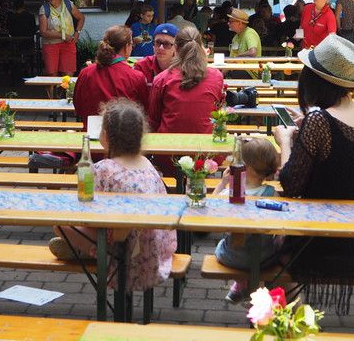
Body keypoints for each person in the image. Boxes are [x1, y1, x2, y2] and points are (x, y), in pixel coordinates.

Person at [273, 34, 354, 312]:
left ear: (313, 80)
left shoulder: (319, 120)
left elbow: (290, 184)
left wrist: (285, 141)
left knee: (262, 247)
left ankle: (286, 317)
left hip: (318, 245)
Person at [49, 99, 177, 292]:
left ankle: (87, 251)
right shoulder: (147, 165)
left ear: (106, 136)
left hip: (125, 251)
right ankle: (82, 248)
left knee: (60, 225)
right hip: (155, 249)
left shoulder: (105, 169)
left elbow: (89, 215)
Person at [148, 26, 225, 174]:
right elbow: (219, 113)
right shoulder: (216, 76)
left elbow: (154, 119)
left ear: (175, 48)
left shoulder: (162, 79)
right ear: (201, 47)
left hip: (168, 155)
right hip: (206, 155)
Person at [212, 137, 280, 303]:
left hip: (231, 257)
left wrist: (223, 183)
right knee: (271, 243)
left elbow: (210, 208)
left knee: (222, 243)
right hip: (264, 258)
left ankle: (242, 283)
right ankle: (252, 289)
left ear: (244, 166)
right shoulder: (272, 194)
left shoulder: (230, 193)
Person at [73, 25, 148, 123]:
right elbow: (144, 110)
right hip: (124, 130)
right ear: (126, 47)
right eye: (131, 44)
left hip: (91, 129)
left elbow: (78, 106)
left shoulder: (86, 73)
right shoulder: (136, 76)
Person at [39, 0, 85, 76]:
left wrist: (77, 33)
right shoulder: (44, 8)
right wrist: (63, 35)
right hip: (50, 44)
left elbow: (81, 18)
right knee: (51, 74)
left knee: (68, 74)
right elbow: (43, 32)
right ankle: (52, 87)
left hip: (68, 43)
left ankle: (65, 87)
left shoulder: (68, 4)